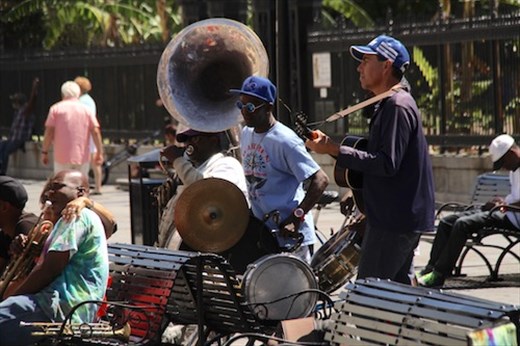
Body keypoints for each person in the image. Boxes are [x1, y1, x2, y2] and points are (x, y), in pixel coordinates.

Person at [305, 35, 435, 284]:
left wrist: (334, 149)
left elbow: (386, 163)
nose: (359, 67)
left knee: (371, 292)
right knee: (395, 294)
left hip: (394, 220)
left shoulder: (397, 105)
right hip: (394, 216)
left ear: (386, 65)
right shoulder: (389, 103)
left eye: (366, 60)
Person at [0, 170, 109, 346]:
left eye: (57, 186)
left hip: (60, 306)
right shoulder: (66, 220)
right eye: (50, 187)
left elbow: (49, 270)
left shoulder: (76, 216)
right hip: (54, 304)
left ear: (80, 192)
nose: (49, 192)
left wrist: (12, 297)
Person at [230, 76, 329, 263]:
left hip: (290, 237)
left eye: (251, 107)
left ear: (268, 107)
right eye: (241, 105)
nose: (245, 112)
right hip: (263, 232)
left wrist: (296, 217)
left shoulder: (285, 140)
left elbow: (321, 179)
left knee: (292, 291)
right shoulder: (246, 133)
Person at [418, 134, 520, 287]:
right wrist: (502, 201)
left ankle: (439, 275)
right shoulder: (515, 170)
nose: (503, 167)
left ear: (512, 153)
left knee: (462, 224)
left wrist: (503, 206)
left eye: (503, 162)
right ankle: (430, 268)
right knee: (447, 221)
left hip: (514, 218)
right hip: (507, 211)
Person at [41, 81, 104, 177]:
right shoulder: (86, 110)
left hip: (61, 156)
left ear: (62, 94)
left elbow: (49, 132)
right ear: (78, 93)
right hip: (82, 156)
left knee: (62, 184)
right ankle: (81, 192)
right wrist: (99, 152)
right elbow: (95, 131)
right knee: (81, 185)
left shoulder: (55, 109)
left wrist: (44, 151)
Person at [0, 78, 39, 175]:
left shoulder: (26, 110)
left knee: (5, 152)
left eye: (15, 101)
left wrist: (34, 88)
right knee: (1, 146)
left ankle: (2, 172)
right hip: (12, 138)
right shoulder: (17, 112)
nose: (13, 104)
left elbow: (32, 100)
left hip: (19, 139)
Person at [74, 76, 102, 195]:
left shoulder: (82, 101)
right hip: (90, 132)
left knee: (90, 160)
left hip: (86, 133)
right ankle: (98, 186)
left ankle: (91, 186)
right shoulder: (89, 99)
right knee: (94, 160)